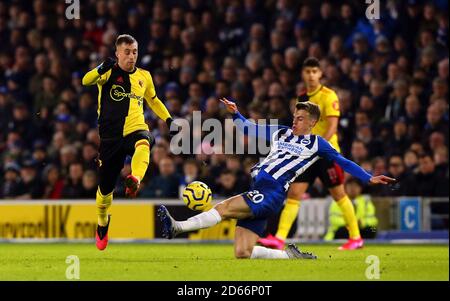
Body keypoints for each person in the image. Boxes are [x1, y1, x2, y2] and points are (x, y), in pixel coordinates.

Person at [158, 99, 395, 259]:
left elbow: (343, 161)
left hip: (272, 191)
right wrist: (236, 113)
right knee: (242, 251)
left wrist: (368, 178)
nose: (295, 121)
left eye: (300, 118)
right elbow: (250, 128)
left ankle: (178, 227)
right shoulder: (281, 131)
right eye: (295, 116)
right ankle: (289, 256)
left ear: (312, 122)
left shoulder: (317, 144)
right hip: (259, 187)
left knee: (226, 207)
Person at [259, 57, 365, 251]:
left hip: (326, 154)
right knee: (294, 194)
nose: (311, 75)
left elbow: (332, 126)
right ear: (303, 73)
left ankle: (356, 237)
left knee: (339, 194)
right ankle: (279, 238)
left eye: (314, 71)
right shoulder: (302, 97)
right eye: (307, 72)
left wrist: (318, 147)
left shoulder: (329, 96)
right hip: (306, 155)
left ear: (320, 74)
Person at [82, 34, 176, 251]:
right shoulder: (107, 73)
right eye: (127, 52)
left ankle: (135, 178)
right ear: (117, 53)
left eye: (135, 52)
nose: (132, 56)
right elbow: (85, 80)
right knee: (105, 192)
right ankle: (102, 223)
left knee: (145, 140)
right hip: (110, 139)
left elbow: (153, 100)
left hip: (135, 129)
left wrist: (169, 119)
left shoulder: (144, 76)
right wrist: (99, 69)